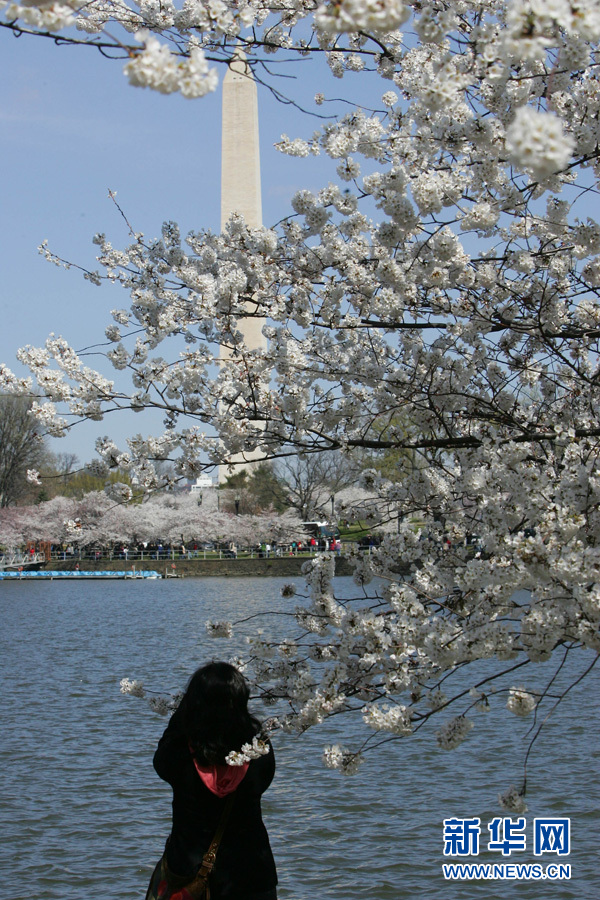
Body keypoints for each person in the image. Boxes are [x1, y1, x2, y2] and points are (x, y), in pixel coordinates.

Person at [145, 662, 278, 900]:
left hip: (189, 874)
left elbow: (160, 763)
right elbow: (264, 781)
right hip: (252, 875)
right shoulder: (259, 750)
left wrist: (184, 713)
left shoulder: (180, 755)